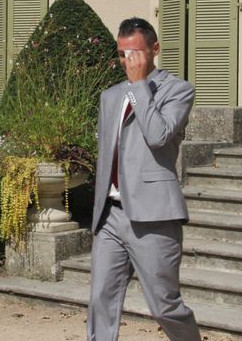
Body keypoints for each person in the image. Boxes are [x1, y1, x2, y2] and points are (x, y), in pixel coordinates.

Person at [87, 17, 201, 341]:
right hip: (110, 214)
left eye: (134, 53)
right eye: (122, 54)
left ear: (154, 49)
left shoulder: (179, 90)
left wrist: (139, 85)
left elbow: (158, 135)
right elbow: (107, 151)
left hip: (154, 215)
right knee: (100, 301)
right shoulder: (109, 96)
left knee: (164, 305)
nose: (128, 61)